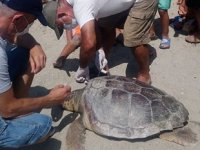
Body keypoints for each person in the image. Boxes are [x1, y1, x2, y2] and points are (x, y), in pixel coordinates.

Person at [0, 0, 71, 148]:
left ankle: (17, 110)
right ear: (17, 19)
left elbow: (14, 37)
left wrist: (34, 45)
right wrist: (50, 99)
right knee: (43, 126)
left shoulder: (3, 23)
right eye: (30, 23)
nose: (28, 28)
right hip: (5, 108)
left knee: (23, 53)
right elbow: (6, 109)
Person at [43, 0, 158, 84]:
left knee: (132, 37)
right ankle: (103, 62)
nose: (65, 27)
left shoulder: (80, 6)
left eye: (61, 25)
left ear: (61, 14)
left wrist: (83, 67)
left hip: (142, 1)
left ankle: (144, 74)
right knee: (105, 25)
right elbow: (96, 27)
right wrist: (101, 51)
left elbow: (89, 45)